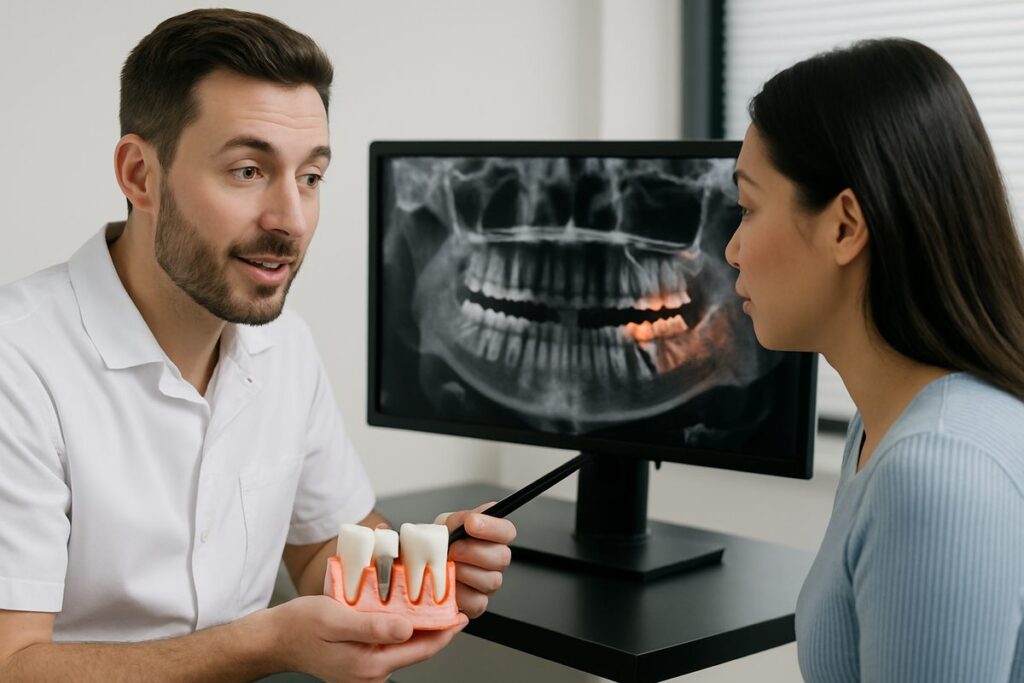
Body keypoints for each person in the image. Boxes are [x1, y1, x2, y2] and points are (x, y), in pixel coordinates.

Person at [0, 9, 514, 682]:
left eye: (310, 176)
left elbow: (325, 548)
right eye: (247, 170)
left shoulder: (285, 349)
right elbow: (12, 662)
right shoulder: (19, 358)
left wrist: (421, 565)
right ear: (139, 174)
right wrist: (262, 643)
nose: (291, 221)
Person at [725, 38, 1024, 681]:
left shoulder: (934, 471)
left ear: (844, 226)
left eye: (748, 208)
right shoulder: (882, 426)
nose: (732, 250)